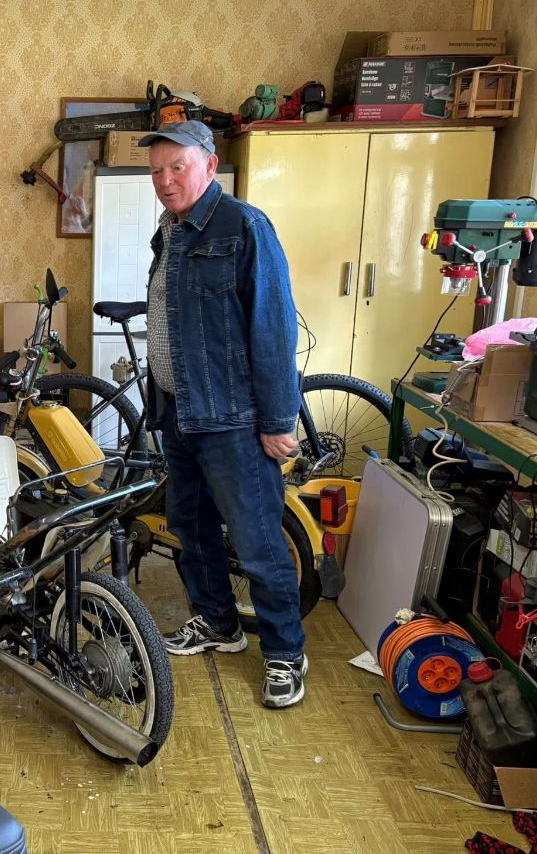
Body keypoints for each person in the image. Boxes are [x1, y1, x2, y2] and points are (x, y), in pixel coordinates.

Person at [137, 121, 307, 708]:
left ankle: (285, 652)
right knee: (190, 528)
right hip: (179, 413)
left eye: (177, 167)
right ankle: (218, 622)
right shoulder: (169, 231)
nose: (165, 180)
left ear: (210, 166)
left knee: (257, 541)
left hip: (233, 418)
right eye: (156, 171)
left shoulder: (244, 227)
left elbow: (273, 327)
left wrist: (278, 420)